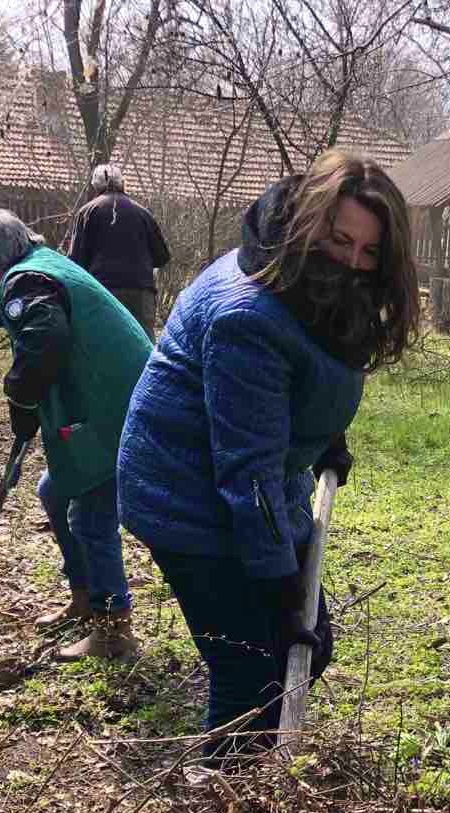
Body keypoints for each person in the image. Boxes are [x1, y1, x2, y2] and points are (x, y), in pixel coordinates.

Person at [117, 150, 419, 763]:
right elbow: (246, 471)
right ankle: (226, 809)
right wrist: (279, 586)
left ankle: (245, 775)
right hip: (185, 492)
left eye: (370, 253)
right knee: (253, 666)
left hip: (256, 478)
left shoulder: (312, 289)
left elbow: (297, 387)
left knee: (309, 649)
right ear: (309, 223)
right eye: (341, 241)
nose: (354, 263)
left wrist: (322, 436)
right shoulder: (248, 313)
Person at [0, 208, 154, 660]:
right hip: (118, 397)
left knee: (90, 514)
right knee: (55, 491)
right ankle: (84, 596)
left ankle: (113, 630)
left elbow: (44, 340)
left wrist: (21, 402)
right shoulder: (43, 266)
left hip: (121, 406)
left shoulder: (27, 283)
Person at [64, 163, 173, 335]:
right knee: (142, 347)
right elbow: (161, 257)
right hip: (141, 292)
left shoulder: (87, 212)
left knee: (105, 344)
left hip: (103, 291)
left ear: (95, 186)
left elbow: (75, 261)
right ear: (123, 183)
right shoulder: (143, 213)